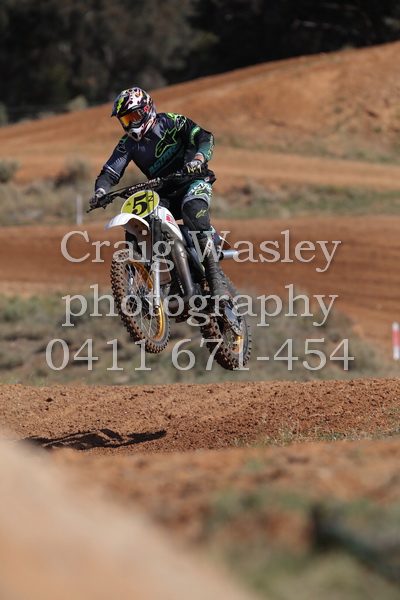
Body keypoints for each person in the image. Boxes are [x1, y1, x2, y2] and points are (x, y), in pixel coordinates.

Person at [89, 86, 228, 301]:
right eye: (125, 120)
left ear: (147, 110)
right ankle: (147, 283)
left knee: (191, 209)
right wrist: (100, 191)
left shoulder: (171, 122)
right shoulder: (127, 144)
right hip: (163, 192)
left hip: (193, 181)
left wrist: (198, 159)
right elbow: (109, 172)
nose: (131, 124)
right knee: (139, 220)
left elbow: (203, 136)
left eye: (134, 116)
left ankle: (216, 278)